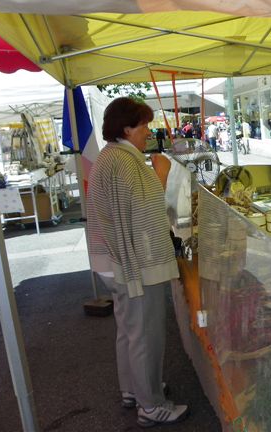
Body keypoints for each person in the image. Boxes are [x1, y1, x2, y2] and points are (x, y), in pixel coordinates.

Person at [86, 97, 190, 428]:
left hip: (115, 260)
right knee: (145, 334)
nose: (148, 131)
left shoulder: (111, 157)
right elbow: (146, 212)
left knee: (130, 331)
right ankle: (151, 405)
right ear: (127, 128)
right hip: (135, 263)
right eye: (144, 125)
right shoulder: (124, 161)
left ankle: (134, 389)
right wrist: (162, 174)